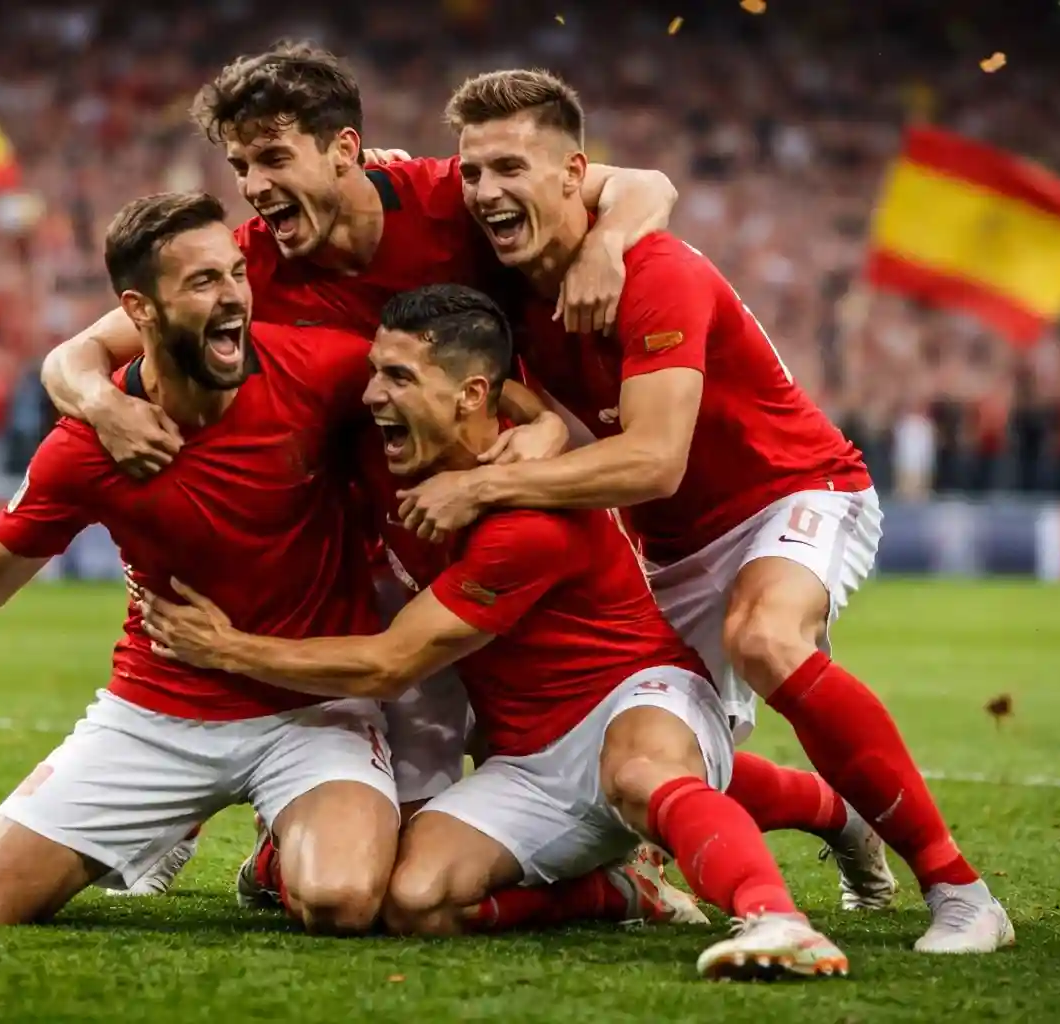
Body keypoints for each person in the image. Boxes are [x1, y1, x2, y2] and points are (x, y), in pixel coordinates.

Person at [390, 70, 1013, 954]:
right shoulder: (503, 285)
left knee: (766, 640)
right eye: (474, 174)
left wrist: (485, 484)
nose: (487, 191)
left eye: (511, 168)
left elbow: (652, 460)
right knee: (620, 744)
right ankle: (835, 814)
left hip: (791, 491)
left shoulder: (656, 271)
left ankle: (961, 892)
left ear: (576, 174)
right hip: (670, 547)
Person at [38, 41, 682, 889]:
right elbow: (73, 355)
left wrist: (609, 251)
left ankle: (624, 851)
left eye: (273, 157)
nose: (255, 185)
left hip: (489, 503)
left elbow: (646, 185)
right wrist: (105, 403)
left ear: (344, 150)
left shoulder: (448, 197)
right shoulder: (249, 264)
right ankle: (201, 824)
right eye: (240, 165)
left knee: (523, 696)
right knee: (406, 739)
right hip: (368, 531)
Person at [140, 285, 848, 981]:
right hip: (526, 756)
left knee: (638, 775)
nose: (371, 395)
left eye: (397, 377)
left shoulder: (526, 515)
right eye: (374, 374)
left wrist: (222, 647)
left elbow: (390, 664)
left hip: (634, 696)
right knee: (414, 902)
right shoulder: (394, 455)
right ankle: (623, 891)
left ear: (472, 396)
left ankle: (776, 918)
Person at [0, 192, 401, 934]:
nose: (233, 296)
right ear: (141, 310)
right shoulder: (86, 446)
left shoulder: (319, 371)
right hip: (161, 711)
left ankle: (277, 856)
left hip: (312, 709)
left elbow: (444, 386)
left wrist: (538, 435)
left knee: (342, 901)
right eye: (202, 282)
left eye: (235, 273)